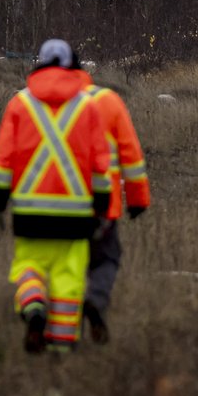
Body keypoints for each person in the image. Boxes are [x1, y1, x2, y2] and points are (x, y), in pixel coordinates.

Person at [0, 39, 110, 354]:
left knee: (28, 268)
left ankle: (33, 307)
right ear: (72, 65)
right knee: (68, 281)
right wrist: (101, 208)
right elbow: (101, 165)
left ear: (39, 62)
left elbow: (4, 162)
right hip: (76, 217)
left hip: (30, 215)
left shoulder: (20, 104)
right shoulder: (87, 107)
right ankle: (60, 351)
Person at [72, 62, 151, 345]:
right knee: (106, 258)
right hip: (102, 204)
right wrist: (138, 199)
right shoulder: (107, 100)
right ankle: (96, 299)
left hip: (56, 204)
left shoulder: (37, 103)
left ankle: (63, 335)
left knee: (65, 269)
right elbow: (131, 155)